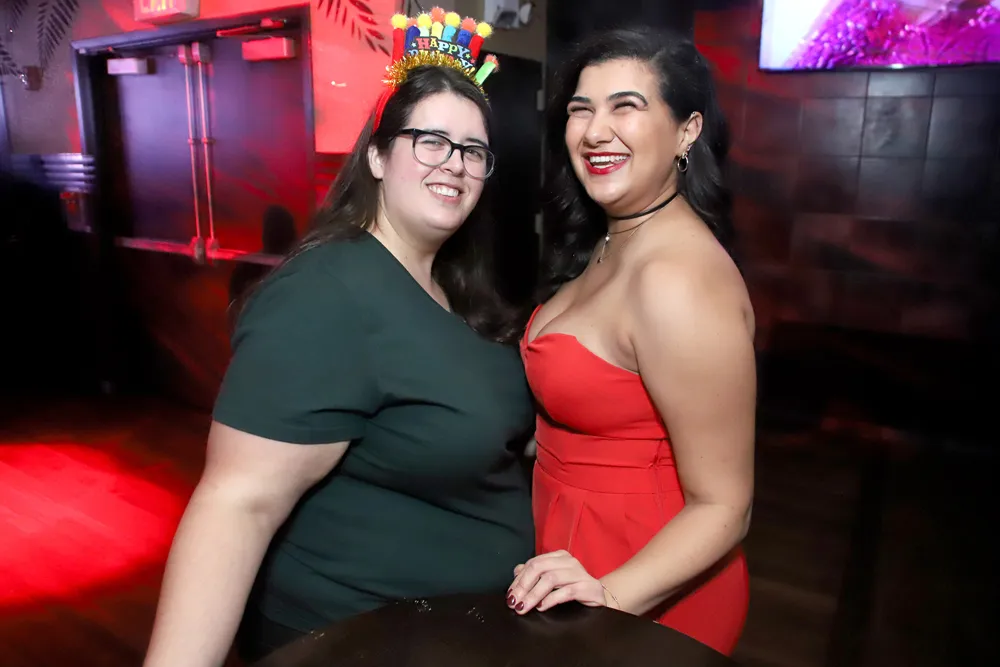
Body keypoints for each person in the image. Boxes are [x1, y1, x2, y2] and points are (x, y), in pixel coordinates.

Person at [142, 11, 534, 667]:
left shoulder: (457, 286)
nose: (455, 164)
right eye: (431, 141)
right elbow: (238, 504)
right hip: (361, 642)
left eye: (473, 150)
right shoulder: (326, 293)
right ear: (377, 155)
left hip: (465, 634)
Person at [506, 28, 755, 655]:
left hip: (642, 578)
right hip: (572, 552)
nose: (595, 131)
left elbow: (725, 506)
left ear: (687, 131)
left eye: (626, 106)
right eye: (580, 109)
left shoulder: (678, 279)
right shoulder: (612, 239)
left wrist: (609, 600)